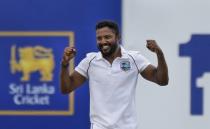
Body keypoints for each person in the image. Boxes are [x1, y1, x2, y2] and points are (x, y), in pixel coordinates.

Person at [60, 20, 169, 129]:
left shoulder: (133, 58)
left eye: (107, 37)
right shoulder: (90, 61)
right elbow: (66, 88)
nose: (103, 42)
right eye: (99, 38)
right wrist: (65, 64)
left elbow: (161, 80)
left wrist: (160, 54)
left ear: (118, 37)